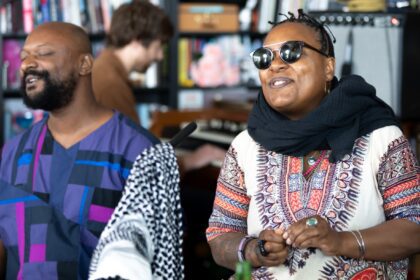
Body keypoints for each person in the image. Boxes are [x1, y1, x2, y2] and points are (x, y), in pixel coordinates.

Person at [206, 9, 420, 279]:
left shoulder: (380, 137)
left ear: (328, 67)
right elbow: (220, 235)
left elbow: (415, 227)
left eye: (291, 52)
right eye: (264, 58)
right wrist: (254, 249)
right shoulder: (245, 146)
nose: (275, 65)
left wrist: (340, 241)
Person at [0, 21, 158, 279]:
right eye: (24, 56)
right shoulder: (14, 152)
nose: (27, 64)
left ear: (84, 64)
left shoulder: (138, 151)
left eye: (43, 53)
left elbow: (159, 258)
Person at [92, 1, 226, 175]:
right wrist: (190, 160)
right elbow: (139, 163)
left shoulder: (102, 69)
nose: (160, 55)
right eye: (158, 46)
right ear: (137, 41)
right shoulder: (111, 84)